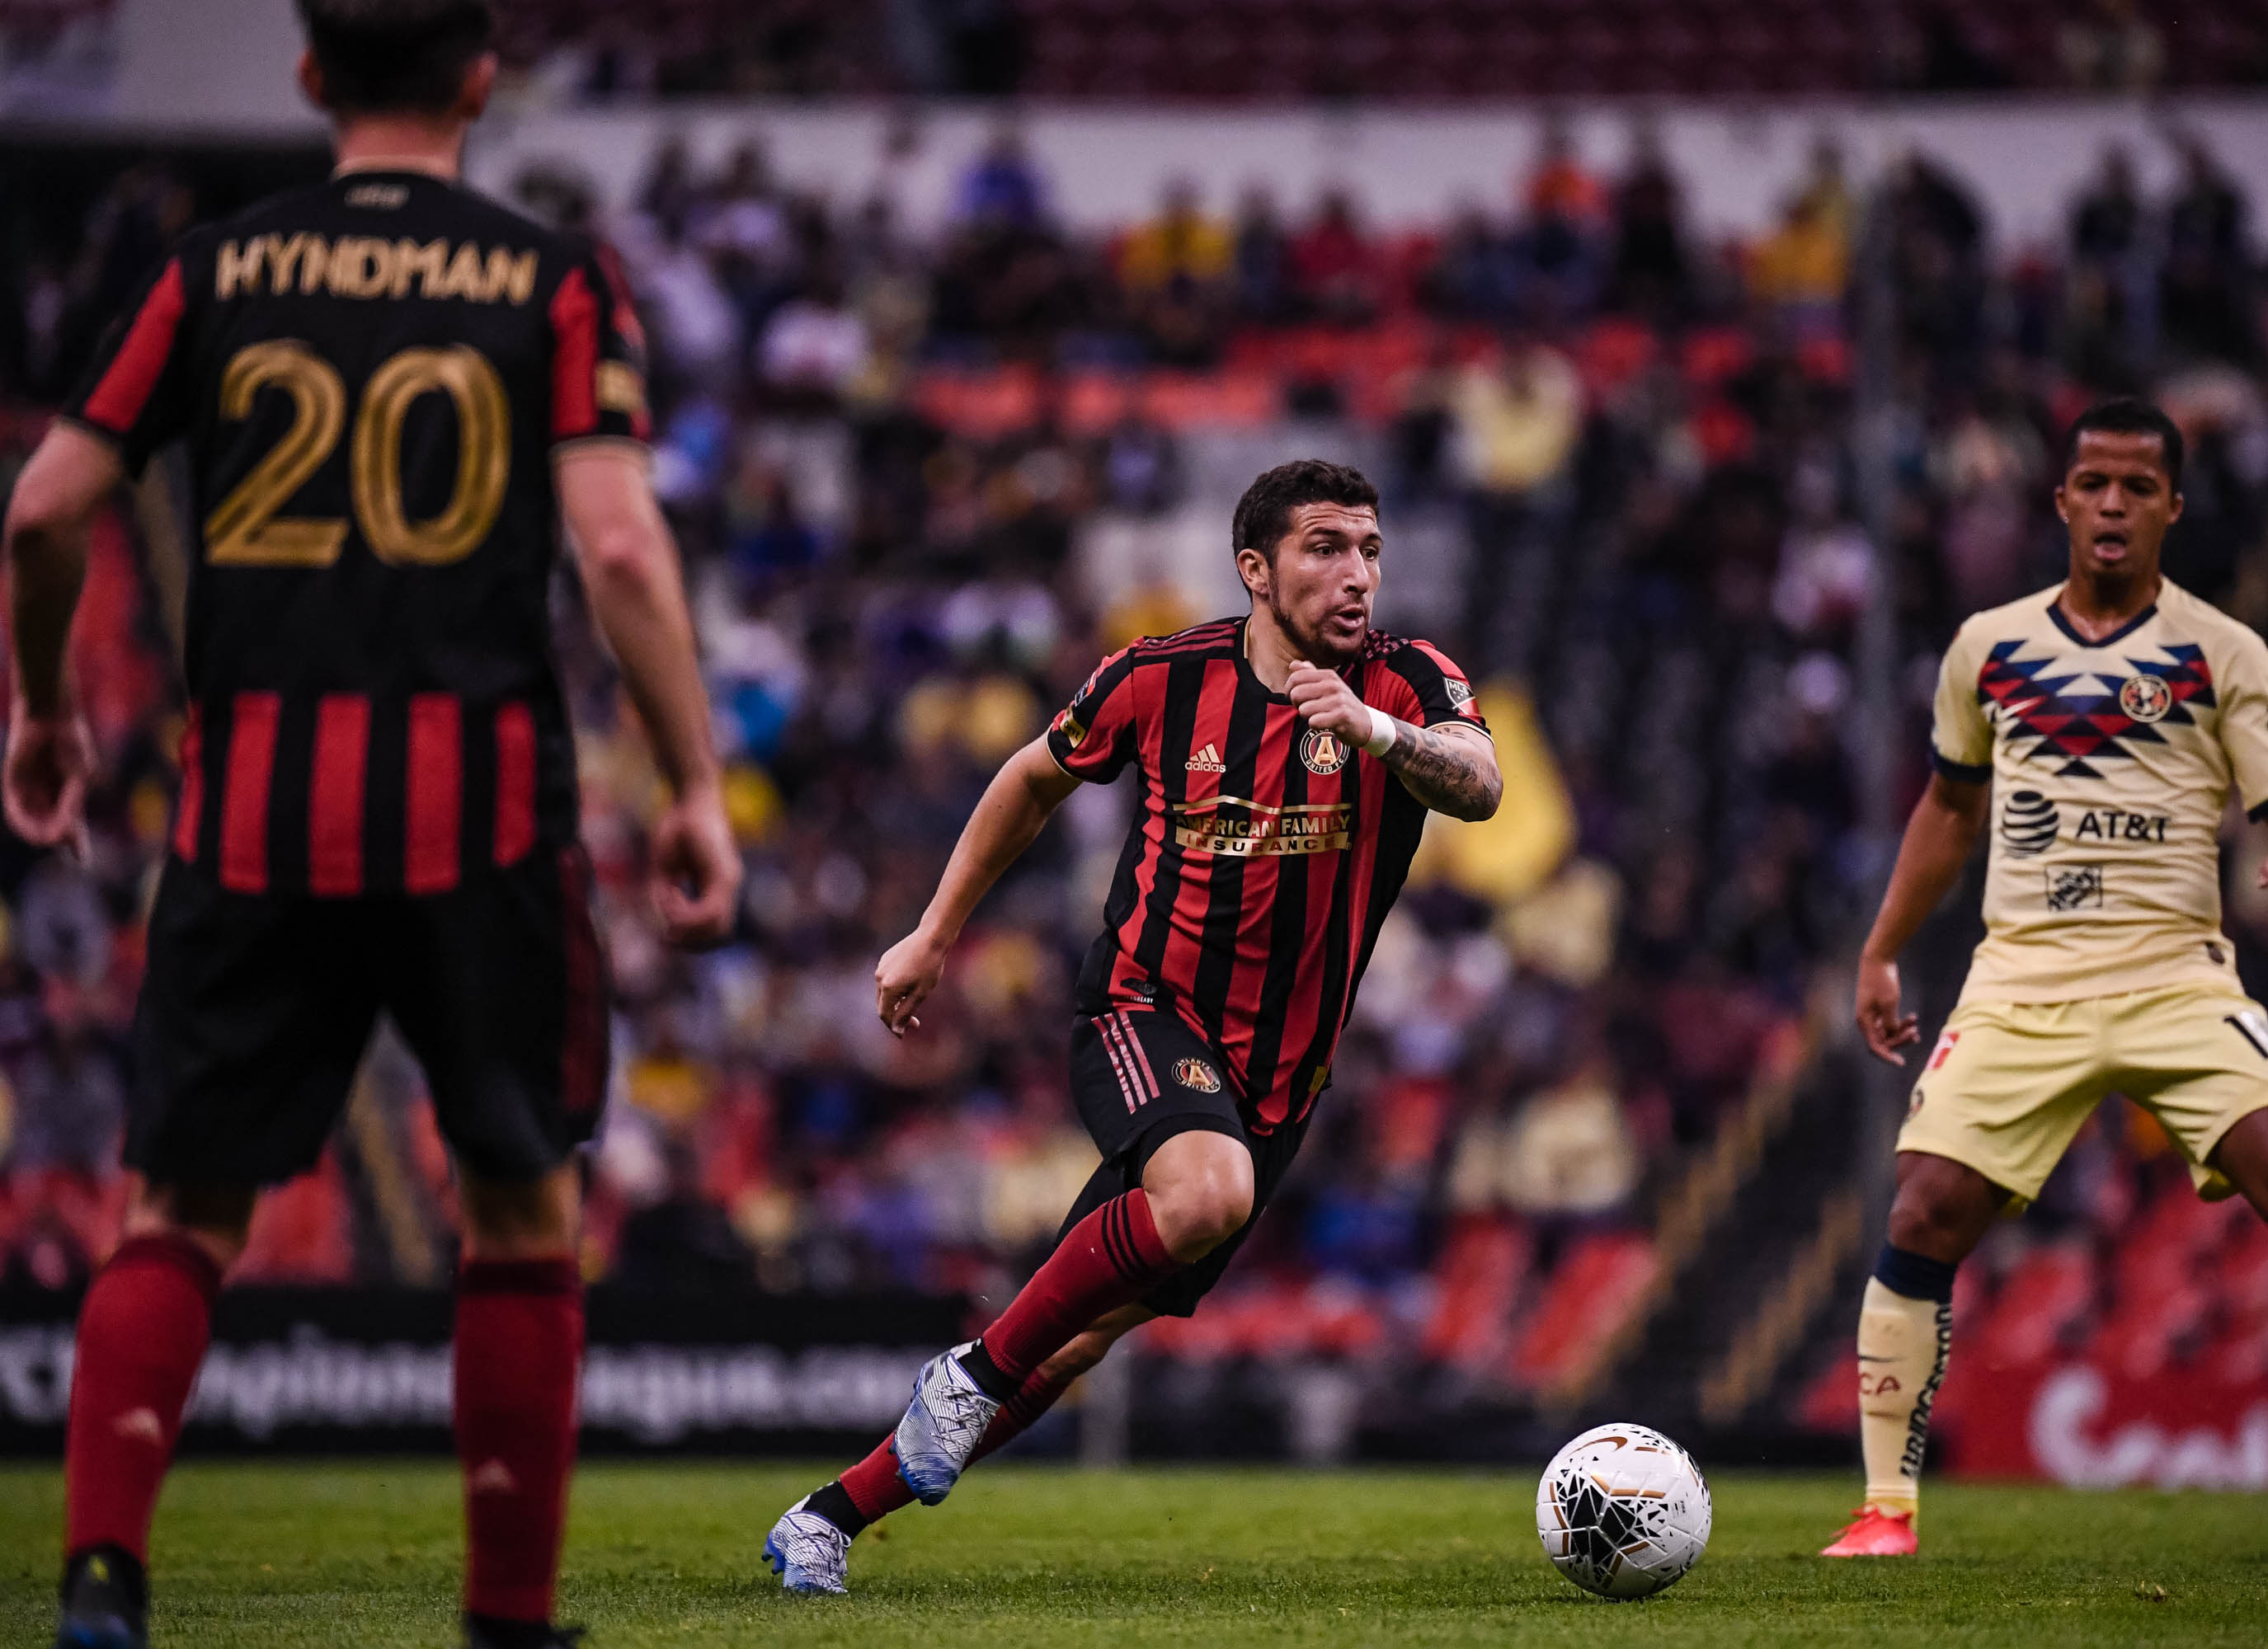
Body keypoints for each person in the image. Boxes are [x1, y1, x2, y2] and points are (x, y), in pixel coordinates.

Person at [10, 4, 743, 1644]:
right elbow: (619, 549)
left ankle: (103, 1577)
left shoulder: (208, 273)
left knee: (179, 1210)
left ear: (310, 78)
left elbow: (48, 505)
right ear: (480, 83)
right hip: (482, 808)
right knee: (518, 1199)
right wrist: (693, 781)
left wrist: (49, 709)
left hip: (252, 802)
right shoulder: (549, 276)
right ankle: (505, 1616)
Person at [761, 459, 1503, 1595]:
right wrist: (933, 932)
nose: (1356, 573)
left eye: (1369, 548)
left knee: (1077, 1341)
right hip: (1144, 1009)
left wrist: (1374, 734)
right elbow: (1029, 778)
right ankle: (970, 1373)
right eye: (1325, 547)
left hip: (1279, 1079)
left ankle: (826, 1520)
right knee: (1204, 1196)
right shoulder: (1163, 677)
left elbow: (1482, 784)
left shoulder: (1406, 681)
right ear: (1255, 568)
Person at [1821, 399, 2268, 1558]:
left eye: (2137, 486)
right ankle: (1885, 1509)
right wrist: (1880, 948)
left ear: (2172, 504)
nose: (2113, 504)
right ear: (2063, 500)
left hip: (2176, 977)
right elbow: (1948, 809)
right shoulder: (1990, 647)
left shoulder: (2222, 651)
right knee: (1922, 1206)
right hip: (2022, 980)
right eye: (2093, 483)